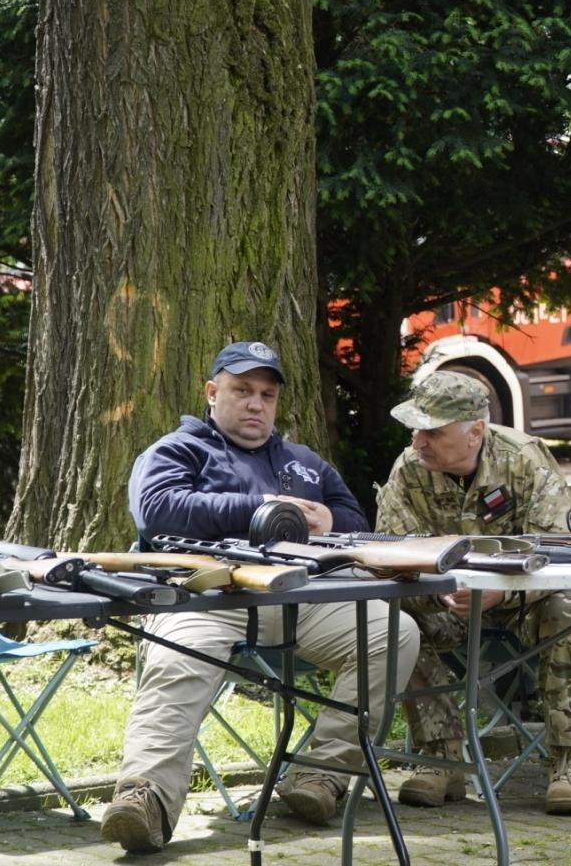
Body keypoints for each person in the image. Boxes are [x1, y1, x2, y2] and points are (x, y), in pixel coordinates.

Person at [100, 340, 420, 853]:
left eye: (267, 395)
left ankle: (323, 775)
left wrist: (329, 520)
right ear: (212, 392)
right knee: (177, 663)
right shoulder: (177, 450)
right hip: (206, 597)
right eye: (242, 390)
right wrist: (262, 507)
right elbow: (157, 511)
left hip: (299, 600)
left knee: (393, 632)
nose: (256, 404)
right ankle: (146, 798)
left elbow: (359, 523)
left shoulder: (304, 461)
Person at [376, 368, 571, 816]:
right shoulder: (409, 470)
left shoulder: (525, 459)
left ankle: (568, 762)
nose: (418, 440)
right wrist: (437, 589)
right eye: (415, 428)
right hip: (448, 601)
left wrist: (503, 594)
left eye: (432, 431)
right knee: (395, 618)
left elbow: (554, 550)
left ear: (476, 431)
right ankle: (440, 756)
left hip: (522, 601)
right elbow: (394, 548)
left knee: (569, 606)